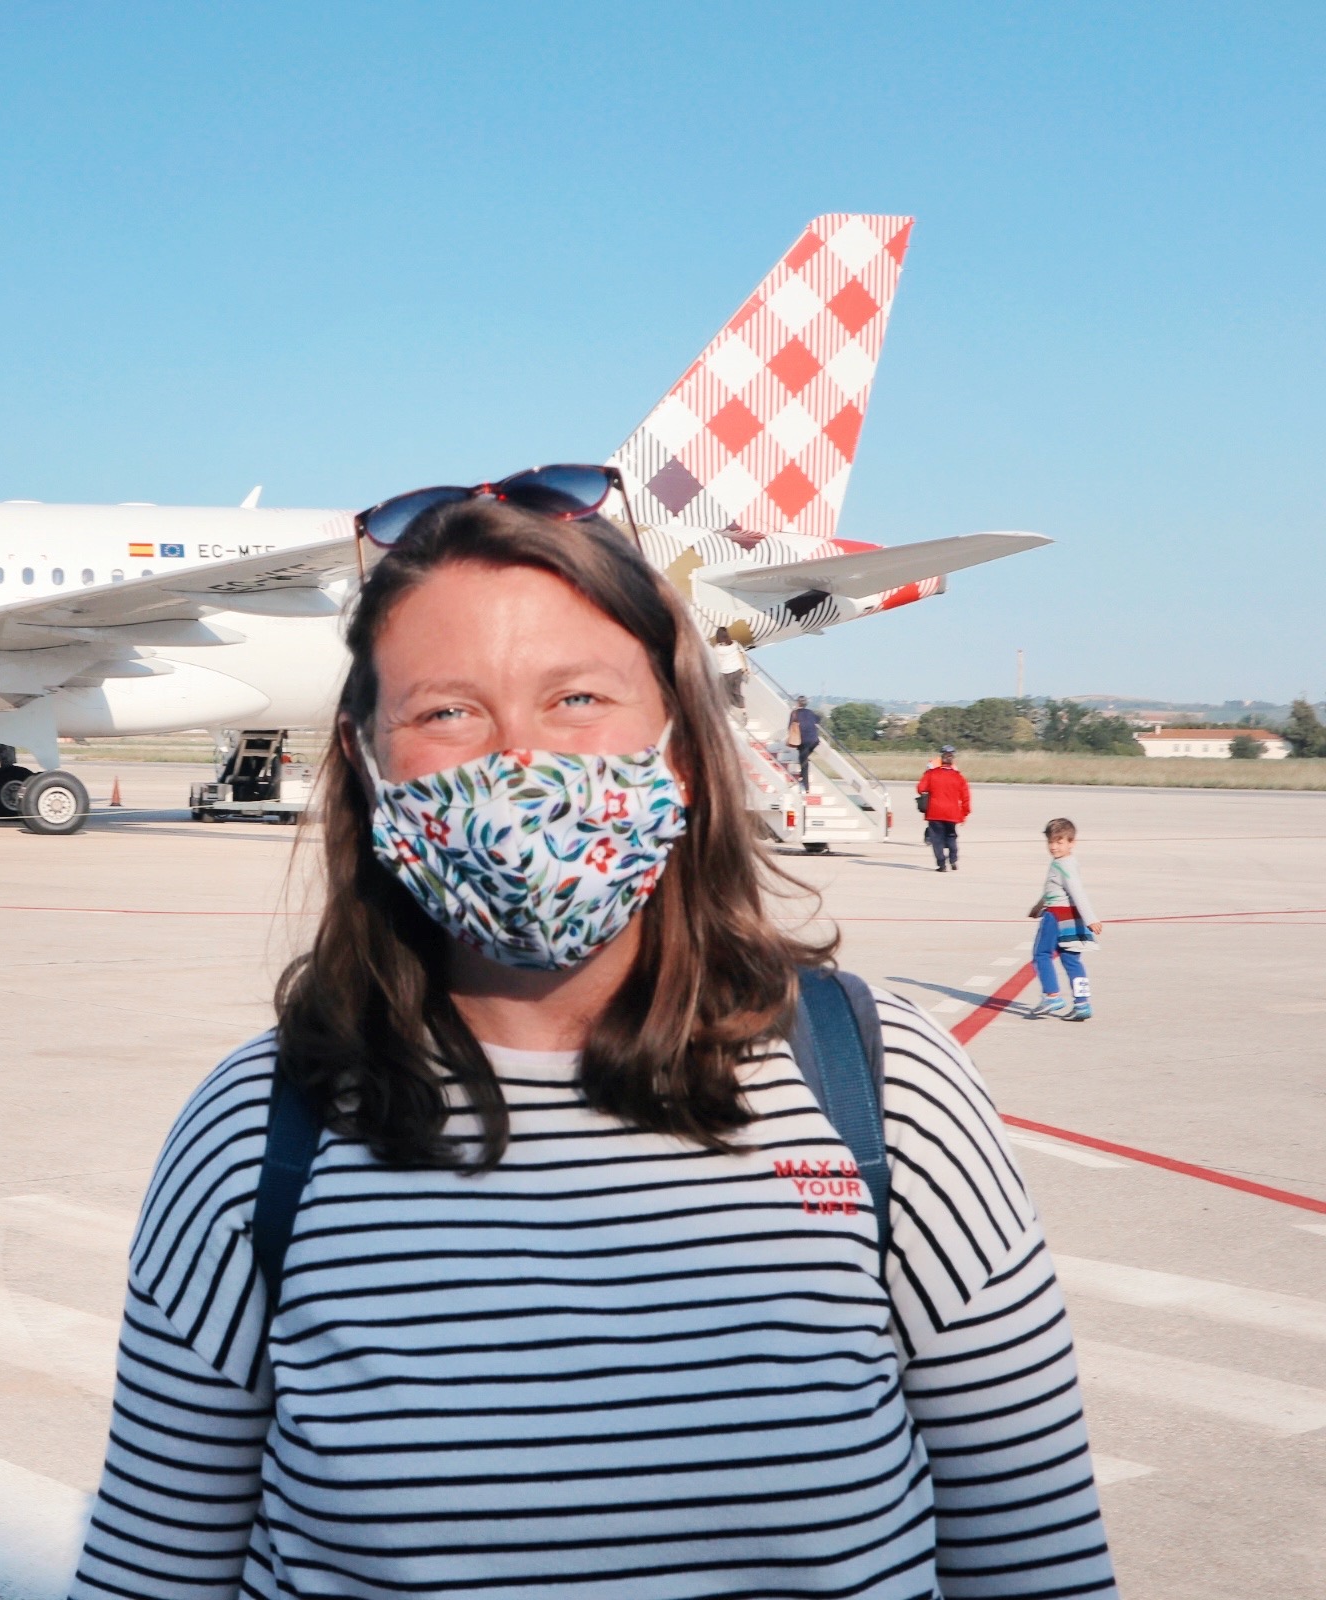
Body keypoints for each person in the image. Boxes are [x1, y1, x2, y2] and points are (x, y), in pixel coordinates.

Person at [72, 495, 1113, 1599]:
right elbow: (152, 1566)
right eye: (448, 713)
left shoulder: (885, 1088)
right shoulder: (260, 1127)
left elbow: (1036, 1559)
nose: (521, 762)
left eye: (577, 698)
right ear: (366, 763)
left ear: (685, 748)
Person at [1029, 818, 1102, 1020]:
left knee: (1041, 955)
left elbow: (1077, 892)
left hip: (1056, 916)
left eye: (1059, 842)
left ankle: (1052, 996)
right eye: (1051, 842)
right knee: (1072, 960)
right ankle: (1082, 1002)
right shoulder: (1069, 862)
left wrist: (1091, 919)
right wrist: (1038, 905)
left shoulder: (1062, 865)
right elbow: (1055, 890)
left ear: (1072, 843)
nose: (1054, 847)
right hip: (1071, 916)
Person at [918, 744, 972, 871]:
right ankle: (953, 859)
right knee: (951, 836)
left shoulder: (931, 774)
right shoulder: (959, 777)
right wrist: (964, 813)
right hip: (952, 813)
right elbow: (966, 797)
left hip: (935, 812)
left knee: (937, 839)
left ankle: (941, 864)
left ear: (941, 758)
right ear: (952, 759)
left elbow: (920, 788)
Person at [708, 625, 748, 713]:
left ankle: (729, 712)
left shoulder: (717, 649)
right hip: (737, 671)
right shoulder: (736, 644)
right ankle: (743, 712)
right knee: (737, 692)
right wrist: (745, 669)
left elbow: (716, 662)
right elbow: (741, 655)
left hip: (725, 672)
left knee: (725, 693)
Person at [787, 692, 821, 786]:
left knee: (803, 760)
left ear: (797, 703)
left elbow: (790, 727)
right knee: (803, 757)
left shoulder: (794, 713)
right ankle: (803, 778)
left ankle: (805, 785)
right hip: (814, 740)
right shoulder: (810, 712)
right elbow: (818, 719)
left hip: (803, 740)